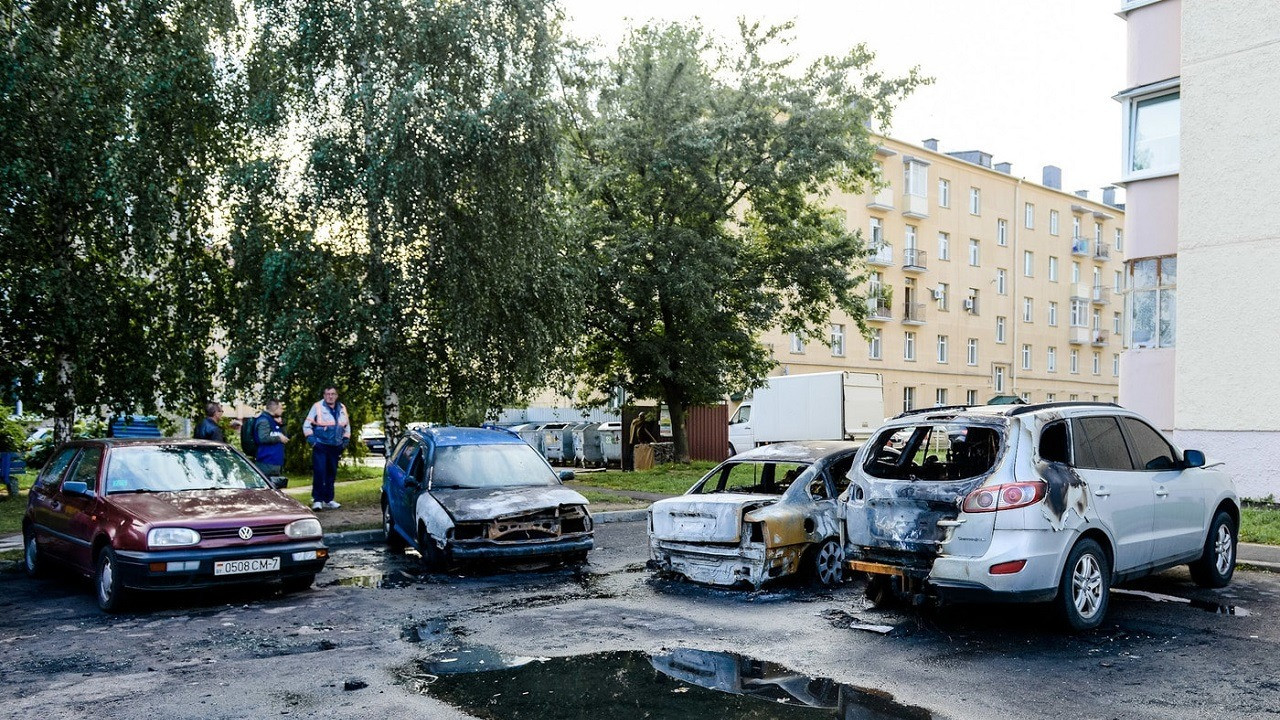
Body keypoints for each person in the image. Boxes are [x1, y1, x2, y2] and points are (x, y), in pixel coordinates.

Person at [303, 386, 350, 511]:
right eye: (328, 394)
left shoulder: (342, 408)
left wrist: (345, 441)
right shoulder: (317, 406)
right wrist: (313, 442)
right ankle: (317, 500)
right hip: (321, 445)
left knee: (331, 473)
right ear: (324, 395)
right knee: (320, 472)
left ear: (336, 396)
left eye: (333, 394)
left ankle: (329, 499)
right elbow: (306, 426)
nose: (330, 396)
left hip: (335, 446)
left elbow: (347, 426)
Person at [252, 399, 289, 476]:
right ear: (275, 408)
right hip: (266, 461)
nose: (282, 411)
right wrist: (279, 438)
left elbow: (284, 436)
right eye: (281, 408)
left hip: (274, 461)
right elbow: (263, 438)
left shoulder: (272, 420)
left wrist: (281, 425)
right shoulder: (264, 420)